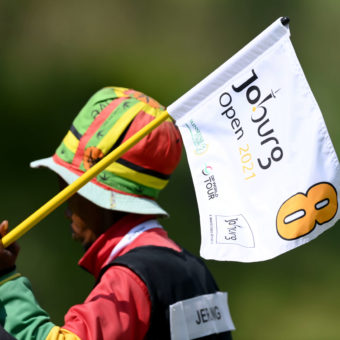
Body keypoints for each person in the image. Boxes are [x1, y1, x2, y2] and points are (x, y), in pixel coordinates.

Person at [0, 87, 235, 339]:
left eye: (68, 189)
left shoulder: (129, 278)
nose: (66, 209)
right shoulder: (197, 272)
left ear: (100, 197)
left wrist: (5, 281)